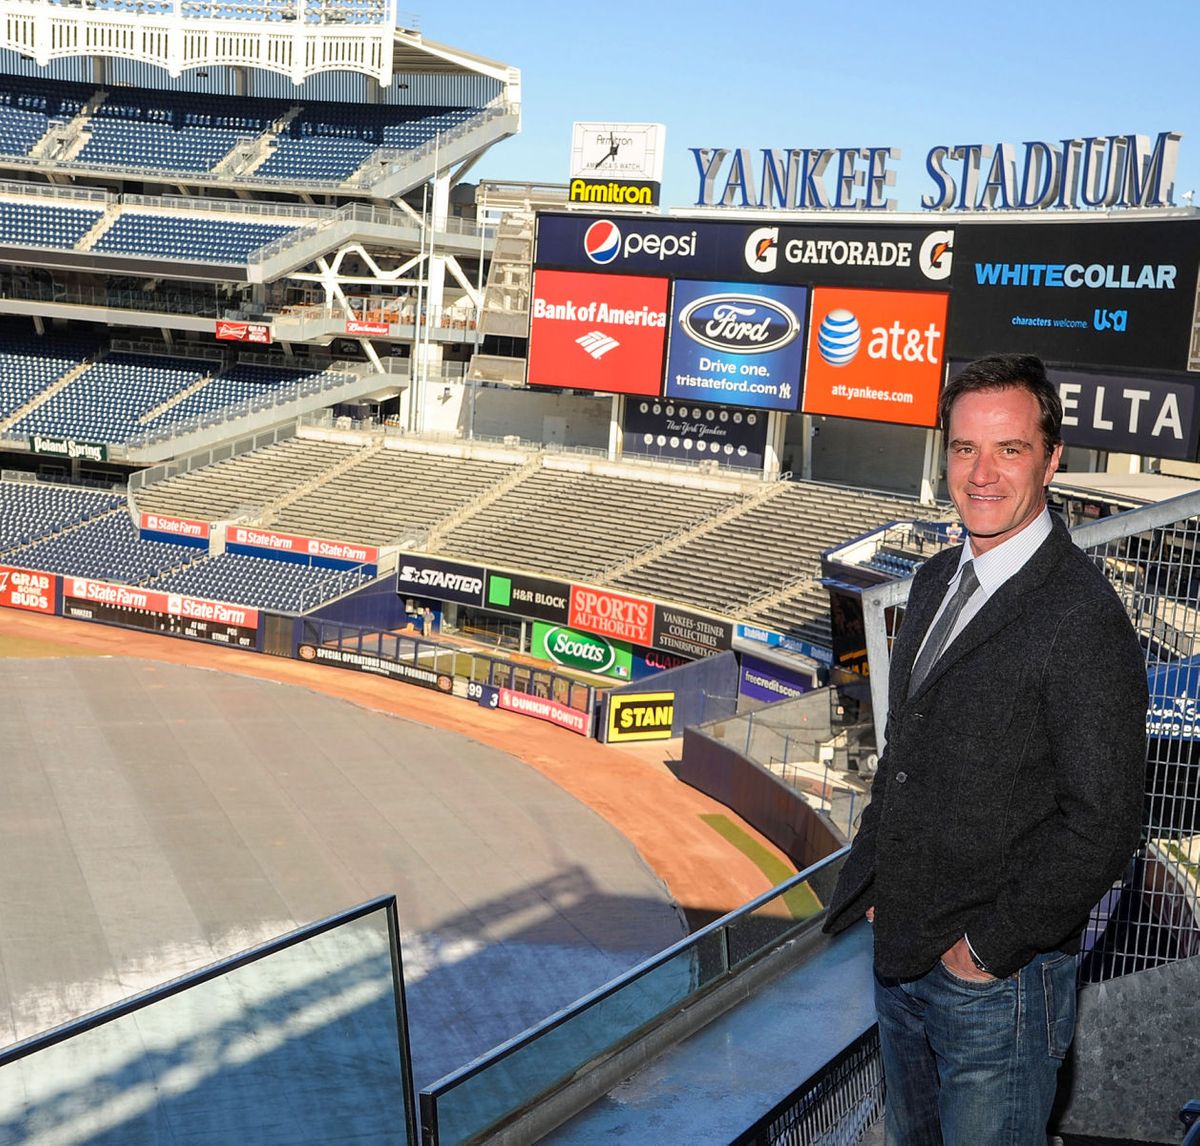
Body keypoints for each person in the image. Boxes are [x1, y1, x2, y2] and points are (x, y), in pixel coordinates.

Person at [824, 354, 1147, 1144]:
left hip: (993, 987)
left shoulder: (1081, 616)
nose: (981, 474)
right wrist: (879, 873)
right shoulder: (934, 580)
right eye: (965, 448)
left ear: (1052, 458)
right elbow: (906, 752)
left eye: (1009, 449)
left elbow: (1103, 822)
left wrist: (986, 951)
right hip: (904, 954)